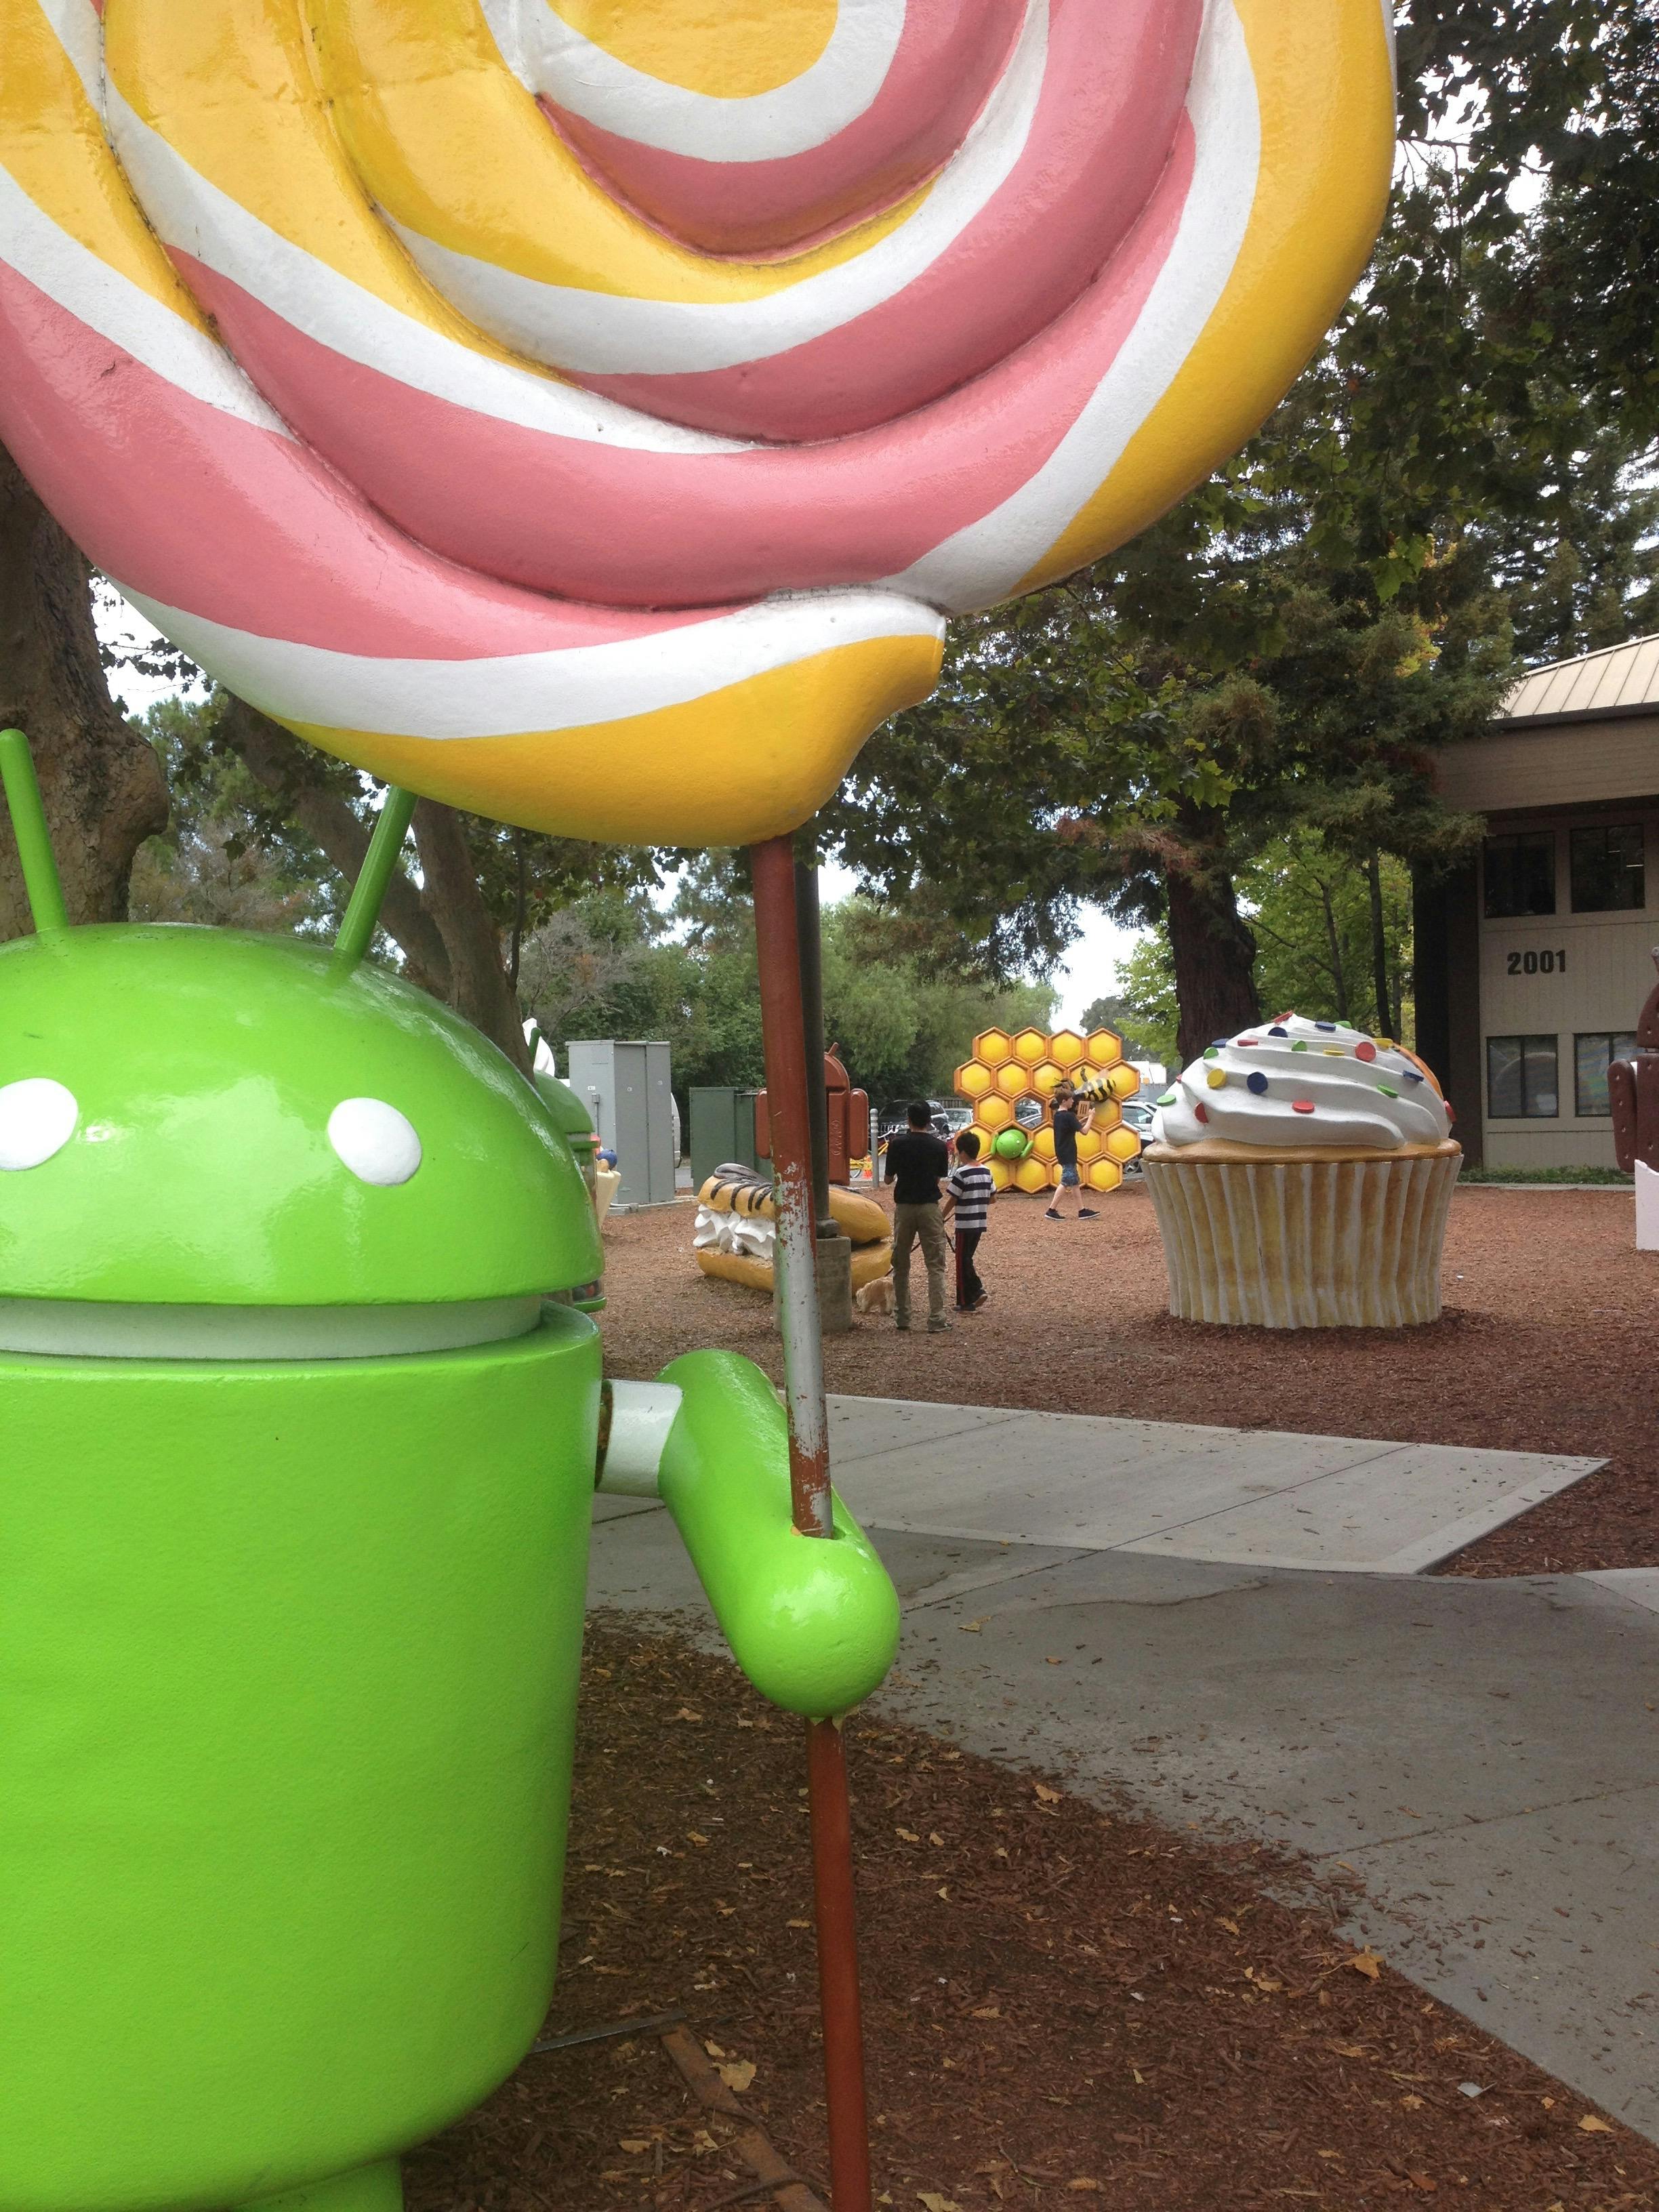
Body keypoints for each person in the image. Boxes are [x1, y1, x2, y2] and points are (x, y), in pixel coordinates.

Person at [884, 1099, 952, 1332]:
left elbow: (888, 1179)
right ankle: (937, 1318)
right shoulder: (939, 1147)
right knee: (935, 1264)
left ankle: (903, 1317)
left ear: (909, 1120)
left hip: (904, 1206)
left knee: (901, 1262)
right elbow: (937, 1179)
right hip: (929, 1206)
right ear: (929, 1120)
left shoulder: (897, 1144)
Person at [943, 1130, 995, 1311]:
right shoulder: (987, 1171)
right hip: (980, 1223)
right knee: (967, 1258)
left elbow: (952, 1199)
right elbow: (993, 1198)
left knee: (961, 1260)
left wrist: (940, 1217)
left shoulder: (961, 1173)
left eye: (957, 1151)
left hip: (965, 1224)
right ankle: (974, 1293)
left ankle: (968, 1299)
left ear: (963, 1152)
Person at [1046, 1080, 1098, 1221]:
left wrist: (1083, 1120)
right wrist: (1091, 1118)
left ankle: (1082, 1211)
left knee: (1074, 1182)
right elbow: (1085, 1131)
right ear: (1064, 1101)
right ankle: (1051, 1210)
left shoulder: (1058, 1115)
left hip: (1062, 1151)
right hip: (1068, 1152)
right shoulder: (1069, 1116)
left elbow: (1071, 1128)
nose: (1073, 1102)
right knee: (1067, 1181)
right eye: (1070, 1100)